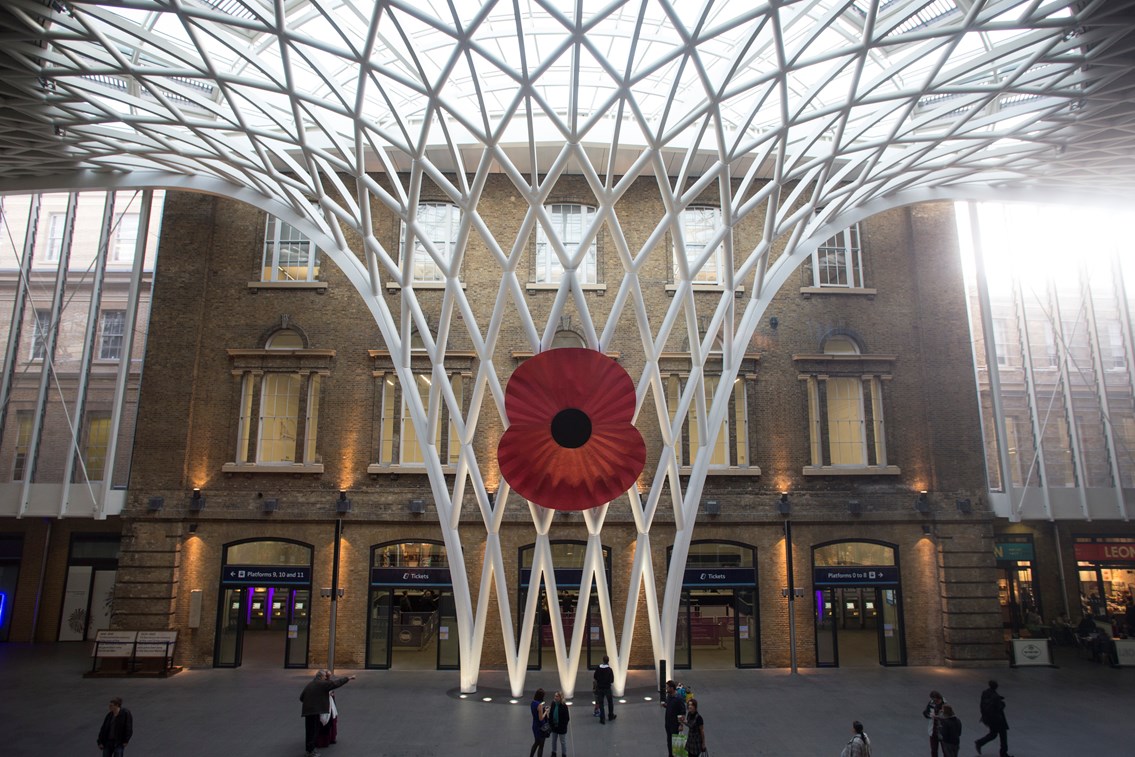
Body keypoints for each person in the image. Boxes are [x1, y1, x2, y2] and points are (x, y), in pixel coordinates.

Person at [300, 669, 355, 757]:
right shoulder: (322, 684)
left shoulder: (310, 684)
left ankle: (310, 749)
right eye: (325, 676)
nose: (326, 678)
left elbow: (301, 697)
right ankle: (310, 751)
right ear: (322, 677)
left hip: (308, 710)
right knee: (313, 731)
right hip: (315, 710)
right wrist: (348, 678)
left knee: (309, 730)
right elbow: (336, 683)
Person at [974, 680, 1011, 757]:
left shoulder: (985, 693)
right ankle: (1003, 753)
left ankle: (980, 742)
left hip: (989, 718)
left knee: (993, 733)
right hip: (998, 719)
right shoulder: (996, 697)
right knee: (1003, 735)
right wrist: (1003, 703)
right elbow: (999, 707)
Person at [661, 680, 685, 757]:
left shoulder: (678, 698)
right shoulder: (669, 696)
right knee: (669, 741)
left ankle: (675, 755)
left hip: (675, 724)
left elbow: (682, 712)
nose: (666, 689)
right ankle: (670, 755)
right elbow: (669, 706)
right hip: (668, 723)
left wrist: (681, 725)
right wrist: (666, 705)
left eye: (667, 687)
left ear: (672, 688)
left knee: (675, 742)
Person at [922, 690, 947, 757]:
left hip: (942, 732)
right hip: (933, 730)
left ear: (939, 698)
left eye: (936, 700)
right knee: (934, 750)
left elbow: (948, 718)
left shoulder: (945, 704)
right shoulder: (931, 703)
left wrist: (938, 717)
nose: (934, 702)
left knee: (945, 750)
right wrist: (929, 715)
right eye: (933, 700)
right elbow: (925, 712)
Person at [593, 654, 616, 723]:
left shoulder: (598, 668)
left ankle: (602, 718)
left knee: (601, 703)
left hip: (600, 688)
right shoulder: (609, 670)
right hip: (607, 688)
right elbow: (612, 680)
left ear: (603, 660)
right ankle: (610, 716)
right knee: (610, 702)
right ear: (608, 661)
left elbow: (595, 676)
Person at [548, 690, 570, 757]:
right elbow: (551, 714)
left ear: (560, 697)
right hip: (554, 727)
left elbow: (567, 718)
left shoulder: (564, 706)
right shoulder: (553, 703)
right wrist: (551, 724)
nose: (555, 697)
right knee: (553, 741)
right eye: (555, 696)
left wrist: (562, 726)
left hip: (561, 728)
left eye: (557, 696)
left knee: (563, 742)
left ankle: (564, 754)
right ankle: (553, 753)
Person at [529, 688, 549, 757]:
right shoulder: (539, 705)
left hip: (535, 726)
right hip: (541, 727)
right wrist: (546, 711)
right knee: (541, 746)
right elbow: (541, 718)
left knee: (536, 742)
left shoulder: (533, 702)